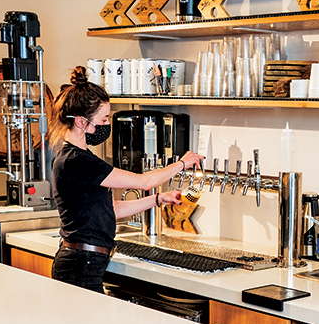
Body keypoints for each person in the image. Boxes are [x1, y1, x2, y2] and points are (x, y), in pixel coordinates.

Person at [47, 66, 202, 291]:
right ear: (81, 122)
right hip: (80, 264)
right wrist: (182, 163)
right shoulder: (75, 160)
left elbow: (113, 209)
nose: (107, 125)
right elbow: (144, 182)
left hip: (85, 261)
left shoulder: (78, 156)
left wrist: (158, 200)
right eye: (103, 119)